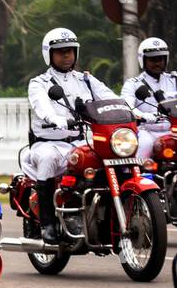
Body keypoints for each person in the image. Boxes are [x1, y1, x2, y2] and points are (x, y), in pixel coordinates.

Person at [27, 27, 122, 244]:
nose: (66, 55)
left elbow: (109, 97)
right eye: (61, 51)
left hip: (82, 141)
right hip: (50, 143)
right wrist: (55, 118)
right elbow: (41, 105)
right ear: (49, 54)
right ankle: (48, 223)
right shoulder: (39, 83)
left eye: (70, 50)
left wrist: (131, 111)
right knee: (47, 160)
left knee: (112, 158)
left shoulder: (86, 80)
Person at [122, 37, 175, 160]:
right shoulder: (133, 84)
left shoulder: (174, 80)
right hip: (147, 130)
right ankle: (138, 176)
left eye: (160, 59)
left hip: (172, 129)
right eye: (152, 59)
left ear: (165, 59)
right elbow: (127, 105)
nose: (157, 63)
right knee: (145, 144)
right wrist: (143, 116)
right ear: (143, 60)